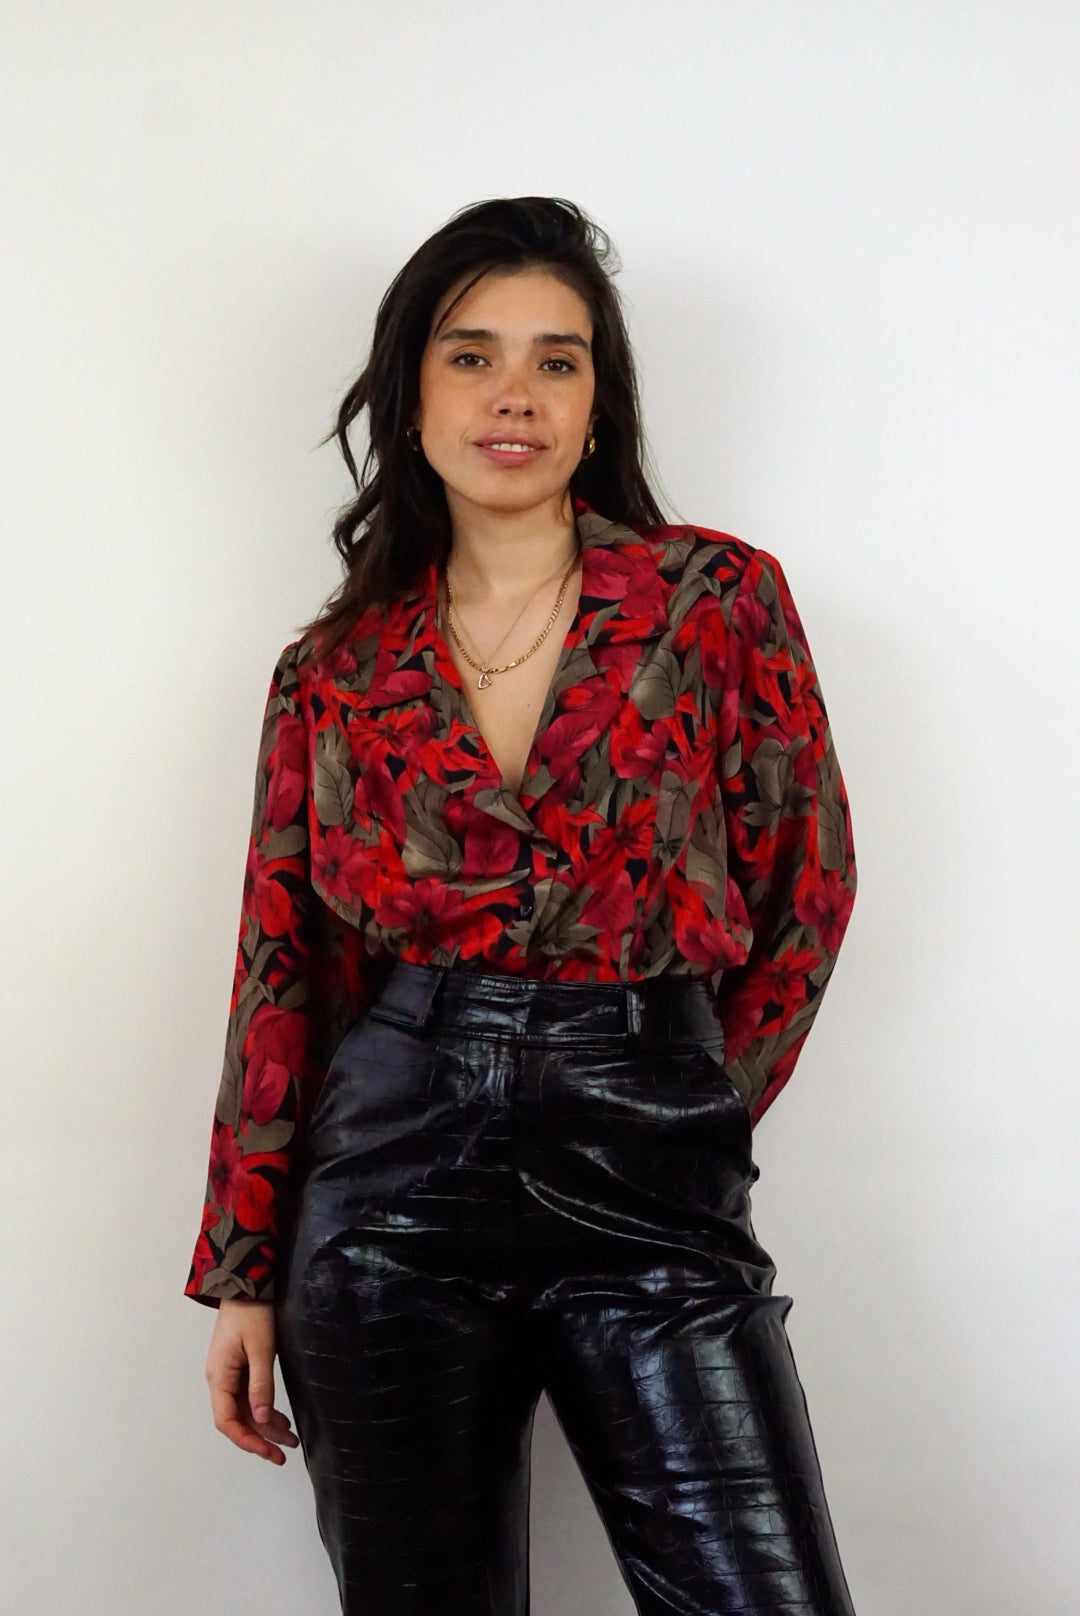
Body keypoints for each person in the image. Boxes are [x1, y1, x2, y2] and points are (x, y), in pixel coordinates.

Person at [184, 196, 859, 1616]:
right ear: (409, 396)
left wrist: (692, 1101)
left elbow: (807, 888)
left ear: (599, 403)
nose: (515, 394)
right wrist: (245, 1268)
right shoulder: (337, 668)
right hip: (388, 1194)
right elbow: (282, 964)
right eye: (471, 355)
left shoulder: (712, 600)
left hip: (651, 1174)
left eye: (557, 360)